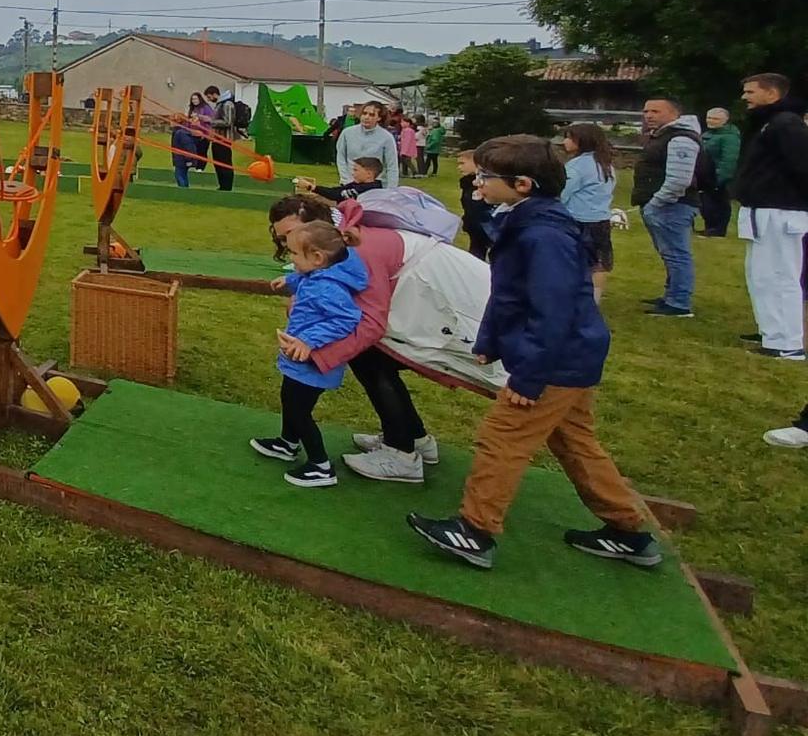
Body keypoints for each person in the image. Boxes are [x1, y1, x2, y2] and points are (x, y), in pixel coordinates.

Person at [406, 135, 660, 571]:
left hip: (557, 358)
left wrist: (528, 377)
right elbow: (507, 295)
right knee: (575, 442)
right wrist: (488, 341)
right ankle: (628, 530)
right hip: (567, 355)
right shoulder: (525, 221)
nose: (477, 181)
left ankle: (475, 530)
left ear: (522, 184)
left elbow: (553, 310)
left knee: (503, 437)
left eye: (486, 176)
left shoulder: (544, 237)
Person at [267, 193, 500, 483]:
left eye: (291, 235)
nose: (289, 244)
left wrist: (316, 353)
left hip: (454, 302)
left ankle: (402, 454)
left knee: (370, 357)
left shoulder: (358, 251)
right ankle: (412, 438)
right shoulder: (344, 241)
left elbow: (370, 324)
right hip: (435, 296)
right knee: (373, 358)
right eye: (283, 240)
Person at [252, 220, 366, 488]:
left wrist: (308, 341)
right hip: (299, 359)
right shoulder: (318, 276)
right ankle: (287, 442)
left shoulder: (330, 288)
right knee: (289, 399)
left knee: (299, 409)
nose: (290, 258)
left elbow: (345, 320)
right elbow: (306, 279)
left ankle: (320, 465)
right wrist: (290, 280)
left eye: (293, 254)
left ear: (316, 257)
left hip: (312, 363)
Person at [734, 72, 808, 362]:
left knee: (780, 275)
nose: (745, 97)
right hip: (762, 208)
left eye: (751, 92)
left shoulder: (786, 124)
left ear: (772, 94)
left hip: (781, 210)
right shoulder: (768, 124)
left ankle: (788, 343)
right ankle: (771, 331)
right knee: (761, 275)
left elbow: (803, 165)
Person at [633, 95, 711, 318]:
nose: (648, 116)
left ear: (674, 114)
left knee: (677, 254)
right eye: (646, 111)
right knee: (668, 253)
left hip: (672, 205)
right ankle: (672, 293)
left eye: (655, 111)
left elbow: (679, 180)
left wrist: (656, 202)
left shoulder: (680, 138)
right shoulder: (662, 136)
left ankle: (678, 302)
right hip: (661, 204)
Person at [559, 122, 617, 302]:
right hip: (601, 219)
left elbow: (563, 192)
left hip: (578, 220)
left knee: (573, 261)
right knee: (598, 264)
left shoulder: (577, 166)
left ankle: (572, 298)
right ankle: (594, 300)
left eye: (569, 137)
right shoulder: (605, 163)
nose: (564, 142)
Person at [335, 101, 399, 189]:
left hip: (375, 187)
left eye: (372, 115)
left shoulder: (387, 137)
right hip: (349, 183)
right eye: (364, 113)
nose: (366, 117)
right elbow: (341, 158)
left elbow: (392, 166)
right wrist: (346, 180)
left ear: (379, 118)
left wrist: (392, 190)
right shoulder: (347, 133)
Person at [699, 106, 742, 238]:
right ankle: (709, 227)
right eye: (709, 117)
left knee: (719, 203)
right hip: (706, 176)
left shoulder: (730, 137)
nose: (711, 121)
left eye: (716, 118)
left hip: (719, 177)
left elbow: (729, 159)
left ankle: (717, 230)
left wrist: (720, 178)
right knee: (705, 203)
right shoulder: (707, 135)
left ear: (726, 120)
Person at [457, 149, 496, 261]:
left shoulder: (483, 184)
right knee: (476, 253)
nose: (459, 167)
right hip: (474, 226)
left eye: (462, 163)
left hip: (487, 226)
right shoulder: (467, 183)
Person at [293, 155, 384, 203]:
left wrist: (311, 187)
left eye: (356, 170)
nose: (353, 173)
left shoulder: (368, 189)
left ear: (368, 174)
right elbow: (338, 190)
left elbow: (337, 195)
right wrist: (317, 192)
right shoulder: (358, 184)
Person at [206, 85, 246, 192]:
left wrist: (211, 121)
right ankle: (222, 185)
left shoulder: (227, 104)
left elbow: (228, 122)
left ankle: (227, 186)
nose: (209, 100)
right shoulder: (219, 104)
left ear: (215, 94)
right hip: (216, 138)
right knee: (217, 163)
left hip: (224, 138)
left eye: (209, 97)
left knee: (225, 163)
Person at [169, 115, 209, 187]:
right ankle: (185, 189)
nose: (170, 123)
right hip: (180, 158)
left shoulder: (180, 133)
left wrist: (189, 160)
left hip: (182, 159)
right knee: (182, 175)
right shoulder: (179, 132)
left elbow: (188, 146)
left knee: (179, 175)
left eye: (171, 121)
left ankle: (184, 191)